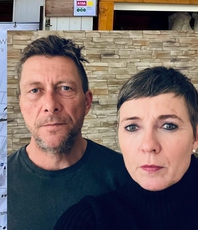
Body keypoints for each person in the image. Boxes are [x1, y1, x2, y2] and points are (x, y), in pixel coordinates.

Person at [55, 67, 198, 229]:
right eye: (132, 127)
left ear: (196, 136)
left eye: (169, 126)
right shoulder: (86, 221)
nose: (148, 145)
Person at [7, 35, 129, 230]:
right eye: (35, 90)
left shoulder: (126, 177)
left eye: (65, 88)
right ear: (21, 103)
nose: (50, 105)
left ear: (87, 102)